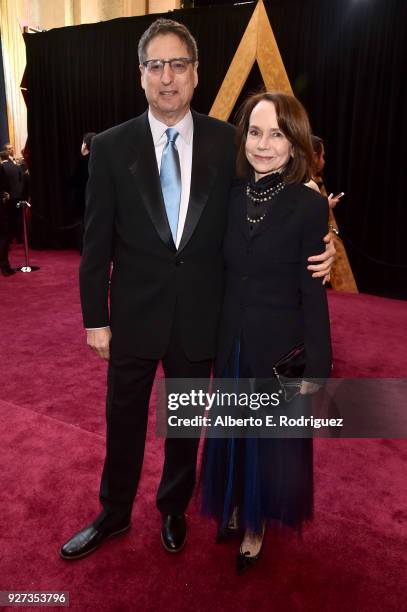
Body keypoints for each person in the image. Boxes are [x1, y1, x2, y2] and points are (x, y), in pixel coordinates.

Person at [60, 18, 335, 561]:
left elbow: (277, 189)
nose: (167, 77)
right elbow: (95, 245)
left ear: (196, 74)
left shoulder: (227, 142)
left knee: (184, 425)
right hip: (133, 316)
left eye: (178, 65)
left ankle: (173, 509)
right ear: (140, 75)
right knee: (123, 422)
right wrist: (95, 318)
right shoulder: (113, 148)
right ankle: (113, 512)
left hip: (199, 319)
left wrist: (327, 238)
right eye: (156, 66)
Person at [200, 92, 332, 574]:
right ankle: (235, 505)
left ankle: (256, 525)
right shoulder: (229, 195)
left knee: (269, 440)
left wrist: (319, 363)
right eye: (255, 132)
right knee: (233, 434)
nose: (263, 144)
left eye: (277, 134)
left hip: (281, 346)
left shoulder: (307, 205)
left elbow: (313, 290)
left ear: (295, 143)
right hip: (231, 339)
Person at [69, 132, 96, 252]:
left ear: (85, 144)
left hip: (83, 198)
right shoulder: (101, 158)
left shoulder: (83, 161)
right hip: (98, 199)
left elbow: (73, 181)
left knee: (82, 223)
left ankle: (84, 247)